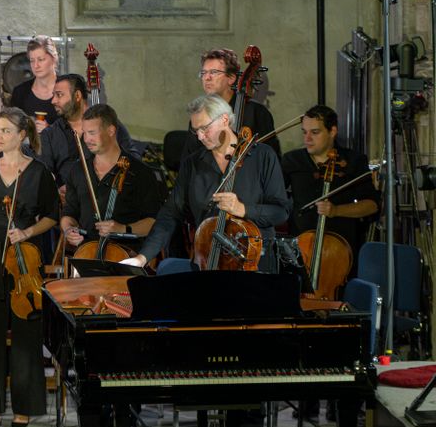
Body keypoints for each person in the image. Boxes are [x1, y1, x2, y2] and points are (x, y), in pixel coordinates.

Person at [123, 95, 290, 273]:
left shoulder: (262, 156)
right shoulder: (193, 163)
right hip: (206, 263)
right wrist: (142, 258)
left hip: (254, 263)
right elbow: (170, 214)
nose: (200, 137)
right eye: (196, 131)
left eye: (205, 128)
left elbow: (281, 212)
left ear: (225, 119)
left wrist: (243, 209)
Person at [0, 107, 56, 427]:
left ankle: (26, 405)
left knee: (26, 337)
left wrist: (26, 232)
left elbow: (51, 215)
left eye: (5, 130)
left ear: (23, 135)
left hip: (25, 260)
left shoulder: (39, 173)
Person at [281, 104, 379, 277]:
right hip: (300, 251)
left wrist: (336, 210)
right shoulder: (291, 160)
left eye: (315, 132)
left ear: (332, 131)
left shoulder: (354, 161)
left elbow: (371, 205)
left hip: (342, 251)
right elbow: (275, 195)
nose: (307, 138)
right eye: (304, 132)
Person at [60, 104, 162, 253]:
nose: (87, 139)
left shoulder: (140, 172)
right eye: (85, 133)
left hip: (125, 254)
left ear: (111, 130)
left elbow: (152, 222)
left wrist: (123, 229)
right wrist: (69, 230)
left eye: (92, 133)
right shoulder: (78, 170)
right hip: (85, 252)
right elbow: (69, 213)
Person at [181, 48, 279, 161]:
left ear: (231, 78)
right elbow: (188, 162)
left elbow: (271, 161)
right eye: (203, 73)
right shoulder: (200, 115)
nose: (207, 78)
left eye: (213, 72)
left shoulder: (257, 113)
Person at [39, 73, 133, 186]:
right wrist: (56, 191)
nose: (53, 101)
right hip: (67, 201)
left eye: (59, 95)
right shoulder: (49, 134)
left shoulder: (108, 124)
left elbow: (132, 159)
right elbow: (44, 174)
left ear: (77, 96)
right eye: (53, 95)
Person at [8, 35, 59, 133]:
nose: (36, 66)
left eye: (41, 60)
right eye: (32, 61)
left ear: (53, 59)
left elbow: (75, 130)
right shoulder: (20, 93)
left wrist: (51, 131)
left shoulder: (67, 90)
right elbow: (13, 131)